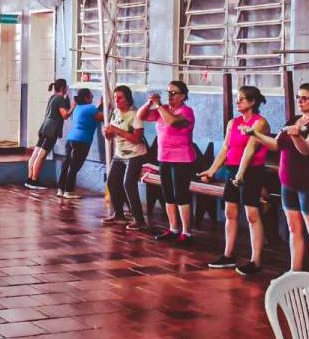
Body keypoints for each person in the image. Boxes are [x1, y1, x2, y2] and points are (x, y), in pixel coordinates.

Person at [247, 82, 309, 273]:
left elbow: (308, 150)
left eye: (305, 98)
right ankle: (294, 273)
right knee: (294, 230)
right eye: (298, 98)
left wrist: (297, 137)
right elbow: (276, 145)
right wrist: (256, 134)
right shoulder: (293, 120)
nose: (300, 101)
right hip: (288, 183)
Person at [201, 85, 272, 276]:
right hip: (233, 170)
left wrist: (240, 175)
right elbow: (225, 148)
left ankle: (255, 261)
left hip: (251, 171)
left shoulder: (260, 123)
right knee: (230, 212)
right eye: (237, 98)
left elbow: (250, 150)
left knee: (251, 215)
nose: (237, 101)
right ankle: (228, 255)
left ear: (252, 102)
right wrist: (212, 170)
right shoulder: (233, 122)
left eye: (241, 99)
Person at [139, 80, 197, 246]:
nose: (169, 96)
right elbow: (141, 116)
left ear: (183, 96)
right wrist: (149, 102)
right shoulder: (164, 110)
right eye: (168, 92)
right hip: (164, 157)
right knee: (168, 195)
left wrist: (159, 107)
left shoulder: (187, 112)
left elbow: (172, 122)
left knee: (181, 195)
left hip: (181, 158)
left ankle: (187, 232)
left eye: (173, 93)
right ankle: (173, 229)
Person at [102, 85, 148, 228]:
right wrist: (108, 133)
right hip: (119, 154)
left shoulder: (136, 115)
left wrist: (117, 130)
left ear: (128, 99)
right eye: (115, 98)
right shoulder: (115, 112)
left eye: (120, 98)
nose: (117, 100)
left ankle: (139, 220)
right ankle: (119, 215)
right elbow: (111, 137)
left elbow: (136, 138)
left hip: (135, 154)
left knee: (128, 183)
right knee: (112, 182)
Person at [26, 79, 73, 190]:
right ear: (62, 87)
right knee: (41, 155)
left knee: (35, 153)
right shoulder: (60, 98)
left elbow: (61, 107)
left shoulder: (53, 97)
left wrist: (67, 98)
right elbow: (65, 115)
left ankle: (29, 179)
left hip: (44, 127)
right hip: (51, 130)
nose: (67, 88)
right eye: (66, 86)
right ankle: (34, 181)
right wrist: (73, 106)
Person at [58, 89, 97, 199]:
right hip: (82, 141)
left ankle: (61, 189)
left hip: (71, 138)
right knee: (74, 167)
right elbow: (103, 117)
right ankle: (69, 191)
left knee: (67, 165)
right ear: (86, 98)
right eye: (91, 96)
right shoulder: (91, 108)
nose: (93, 98)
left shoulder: (77, 108)